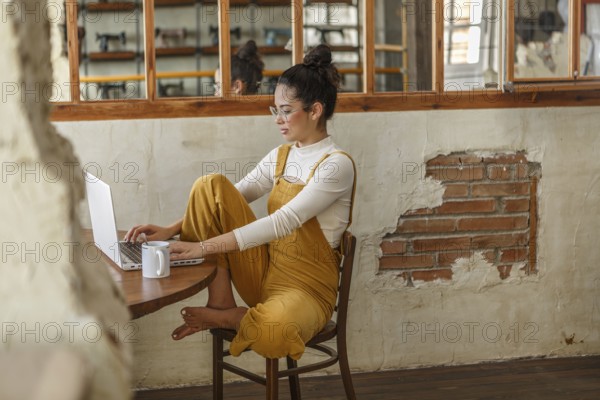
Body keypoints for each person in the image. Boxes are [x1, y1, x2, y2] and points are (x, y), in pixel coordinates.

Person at [125, 44, 356, 360]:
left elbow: (283, 221)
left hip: (305, 290)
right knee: (210, 186)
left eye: (286, 110)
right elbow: (228, 196)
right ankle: (221, 302)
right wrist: (170, 229)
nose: (278, 119)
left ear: (315, 110)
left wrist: (202, 247)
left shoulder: (336, 164)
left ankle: (229, 317)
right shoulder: (281, 156)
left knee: (275, 333)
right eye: (275, 110)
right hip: (263, 273)